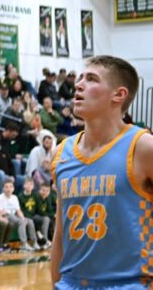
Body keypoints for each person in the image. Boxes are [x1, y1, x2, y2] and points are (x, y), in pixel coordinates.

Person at [51, 56, 153, 289]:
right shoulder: (61, 153)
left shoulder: (143, 147)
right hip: (71, 283)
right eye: (79, 78)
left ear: (118, 95)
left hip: (129, 284)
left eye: (91, 79)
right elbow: (59, 234)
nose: (79, 84)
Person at [0, 179, 37, 251]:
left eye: (10, 187)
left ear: (13, 188)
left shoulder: (14, 197)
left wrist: (22, 217)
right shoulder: (0, 197)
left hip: (14, 216)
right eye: (6, 187)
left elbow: (18, 210)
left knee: (29, 221)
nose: (8, 189)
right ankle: (24, 243)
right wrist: (8, 212)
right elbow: (0, 212)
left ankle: (34, 242)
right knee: (21, 222)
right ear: (3, 188)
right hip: (6, 216)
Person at [18, 177, 50, 248]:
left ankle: (44, 240)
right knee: (30, 221)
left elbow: (38, 208)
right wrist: (28, 217)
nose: (29, 186)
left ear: (33, 187)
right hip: (26, 216)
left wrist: (46, 215)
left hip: (34, 216)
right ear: (24, 185)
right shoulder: (20, 196)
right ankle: (34, 242)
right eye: (27, 184)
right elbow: (20, 210)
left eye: (31, 185)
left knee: (46, 219)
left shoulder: (35, 195)